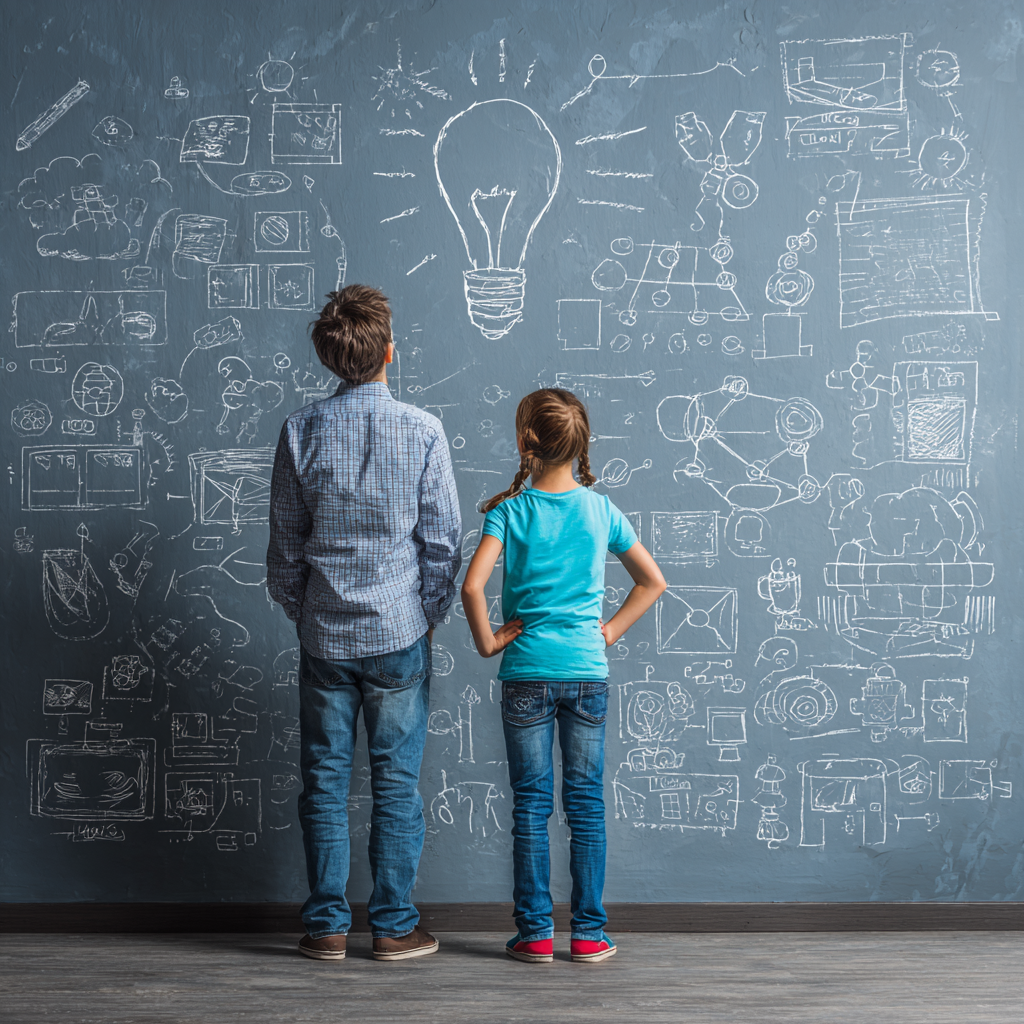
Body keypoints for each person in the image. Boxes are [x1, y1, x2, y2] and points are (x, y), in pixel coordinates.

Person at [267, 285, 462, 962]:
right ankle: (393, 926)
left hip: (324, 634)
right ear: (388, 353)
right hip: (399, 633)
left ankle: (325, 927)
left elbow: (285, 549)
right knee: (396, 782)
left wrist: (310, 611)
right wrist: (424, 616)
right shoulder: (424, 429)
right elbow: (443, 546)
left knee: (322, 780)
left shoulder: (300, 429)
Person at [460, 389, 666, 964]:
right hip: (587, 674)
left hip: (526, 672)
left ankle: (535, 935)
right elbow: (653, 582)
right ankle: (590, 935)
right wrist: (606, 633)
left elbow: (473, 586)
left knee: (531, 804)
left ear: (527, 443)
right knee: (586, 805)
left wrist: (489, 642)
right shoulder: (602, 511)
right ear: (581, 447)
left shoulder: (509, 512)